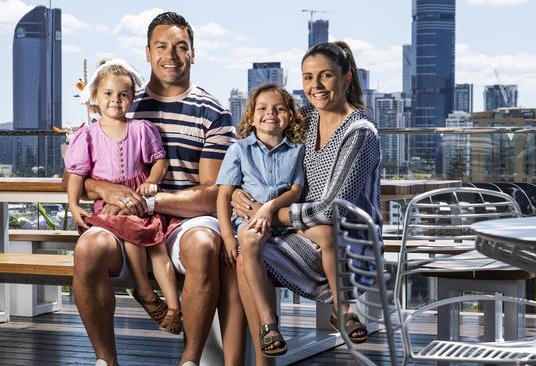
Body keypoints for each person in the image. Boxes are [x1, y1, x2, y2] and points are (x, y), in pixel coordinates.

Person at [64, 12, 245, 366]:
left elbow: (213, 193)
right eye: (161, 46)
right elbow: (75, 174)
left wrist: (148, 202)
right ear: (147, 53)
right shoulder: (122, 101)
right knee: (88, 250)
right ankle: (106, 360)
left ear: (193, 53)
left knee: (204, 245)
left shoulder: (214, 113)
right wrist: (106, 188)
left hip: (185, 219)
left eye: (181, 47)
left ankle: (190, 359)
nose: (171, 55)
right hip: (122, 219)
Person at [232, 41, 383, 365]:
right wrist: (235, 192)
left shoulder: (360, 132)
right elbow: (259, 149)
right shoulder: (306, 122)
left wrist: (269, 213)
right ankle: (268, 335)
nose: (315, 86)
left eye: (325, 76)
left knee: (248, 254)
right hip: (302, 233)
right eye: (308, 77)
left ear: (346, 79)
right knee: (245, 248)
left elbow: (333, 209)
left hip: (349, 245)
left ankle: (265, 355)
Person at [65, 59, 182, 335]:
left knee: (158, 246)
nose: (115, 100)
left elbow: (159, 161)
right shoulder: (88, 136)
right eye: (108, 94)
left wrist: (152, 181)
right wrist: (72, 205)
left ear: (131, 98)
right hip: (110, 205)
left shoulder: (141, 130)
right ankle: (146, 292)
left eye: (123, 95)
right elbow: (76, 175)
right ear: (95, 97)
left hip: (140, 200)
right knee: (134, 235)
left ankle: (175, 307)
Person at [216, 84, 307, 357]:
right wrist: (227, 237)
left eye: (279, 109)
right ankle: (268, 321)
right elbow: (223, 195)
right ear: (251, 117)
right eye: (263, 109)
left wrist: (268, 207)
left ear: (289, 116)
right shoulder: (239, 150)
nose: (271, 114)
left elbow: (296, 190)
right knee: (248, 239)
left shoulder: (297, 151)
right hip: (249, 227)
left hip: (282, 225)